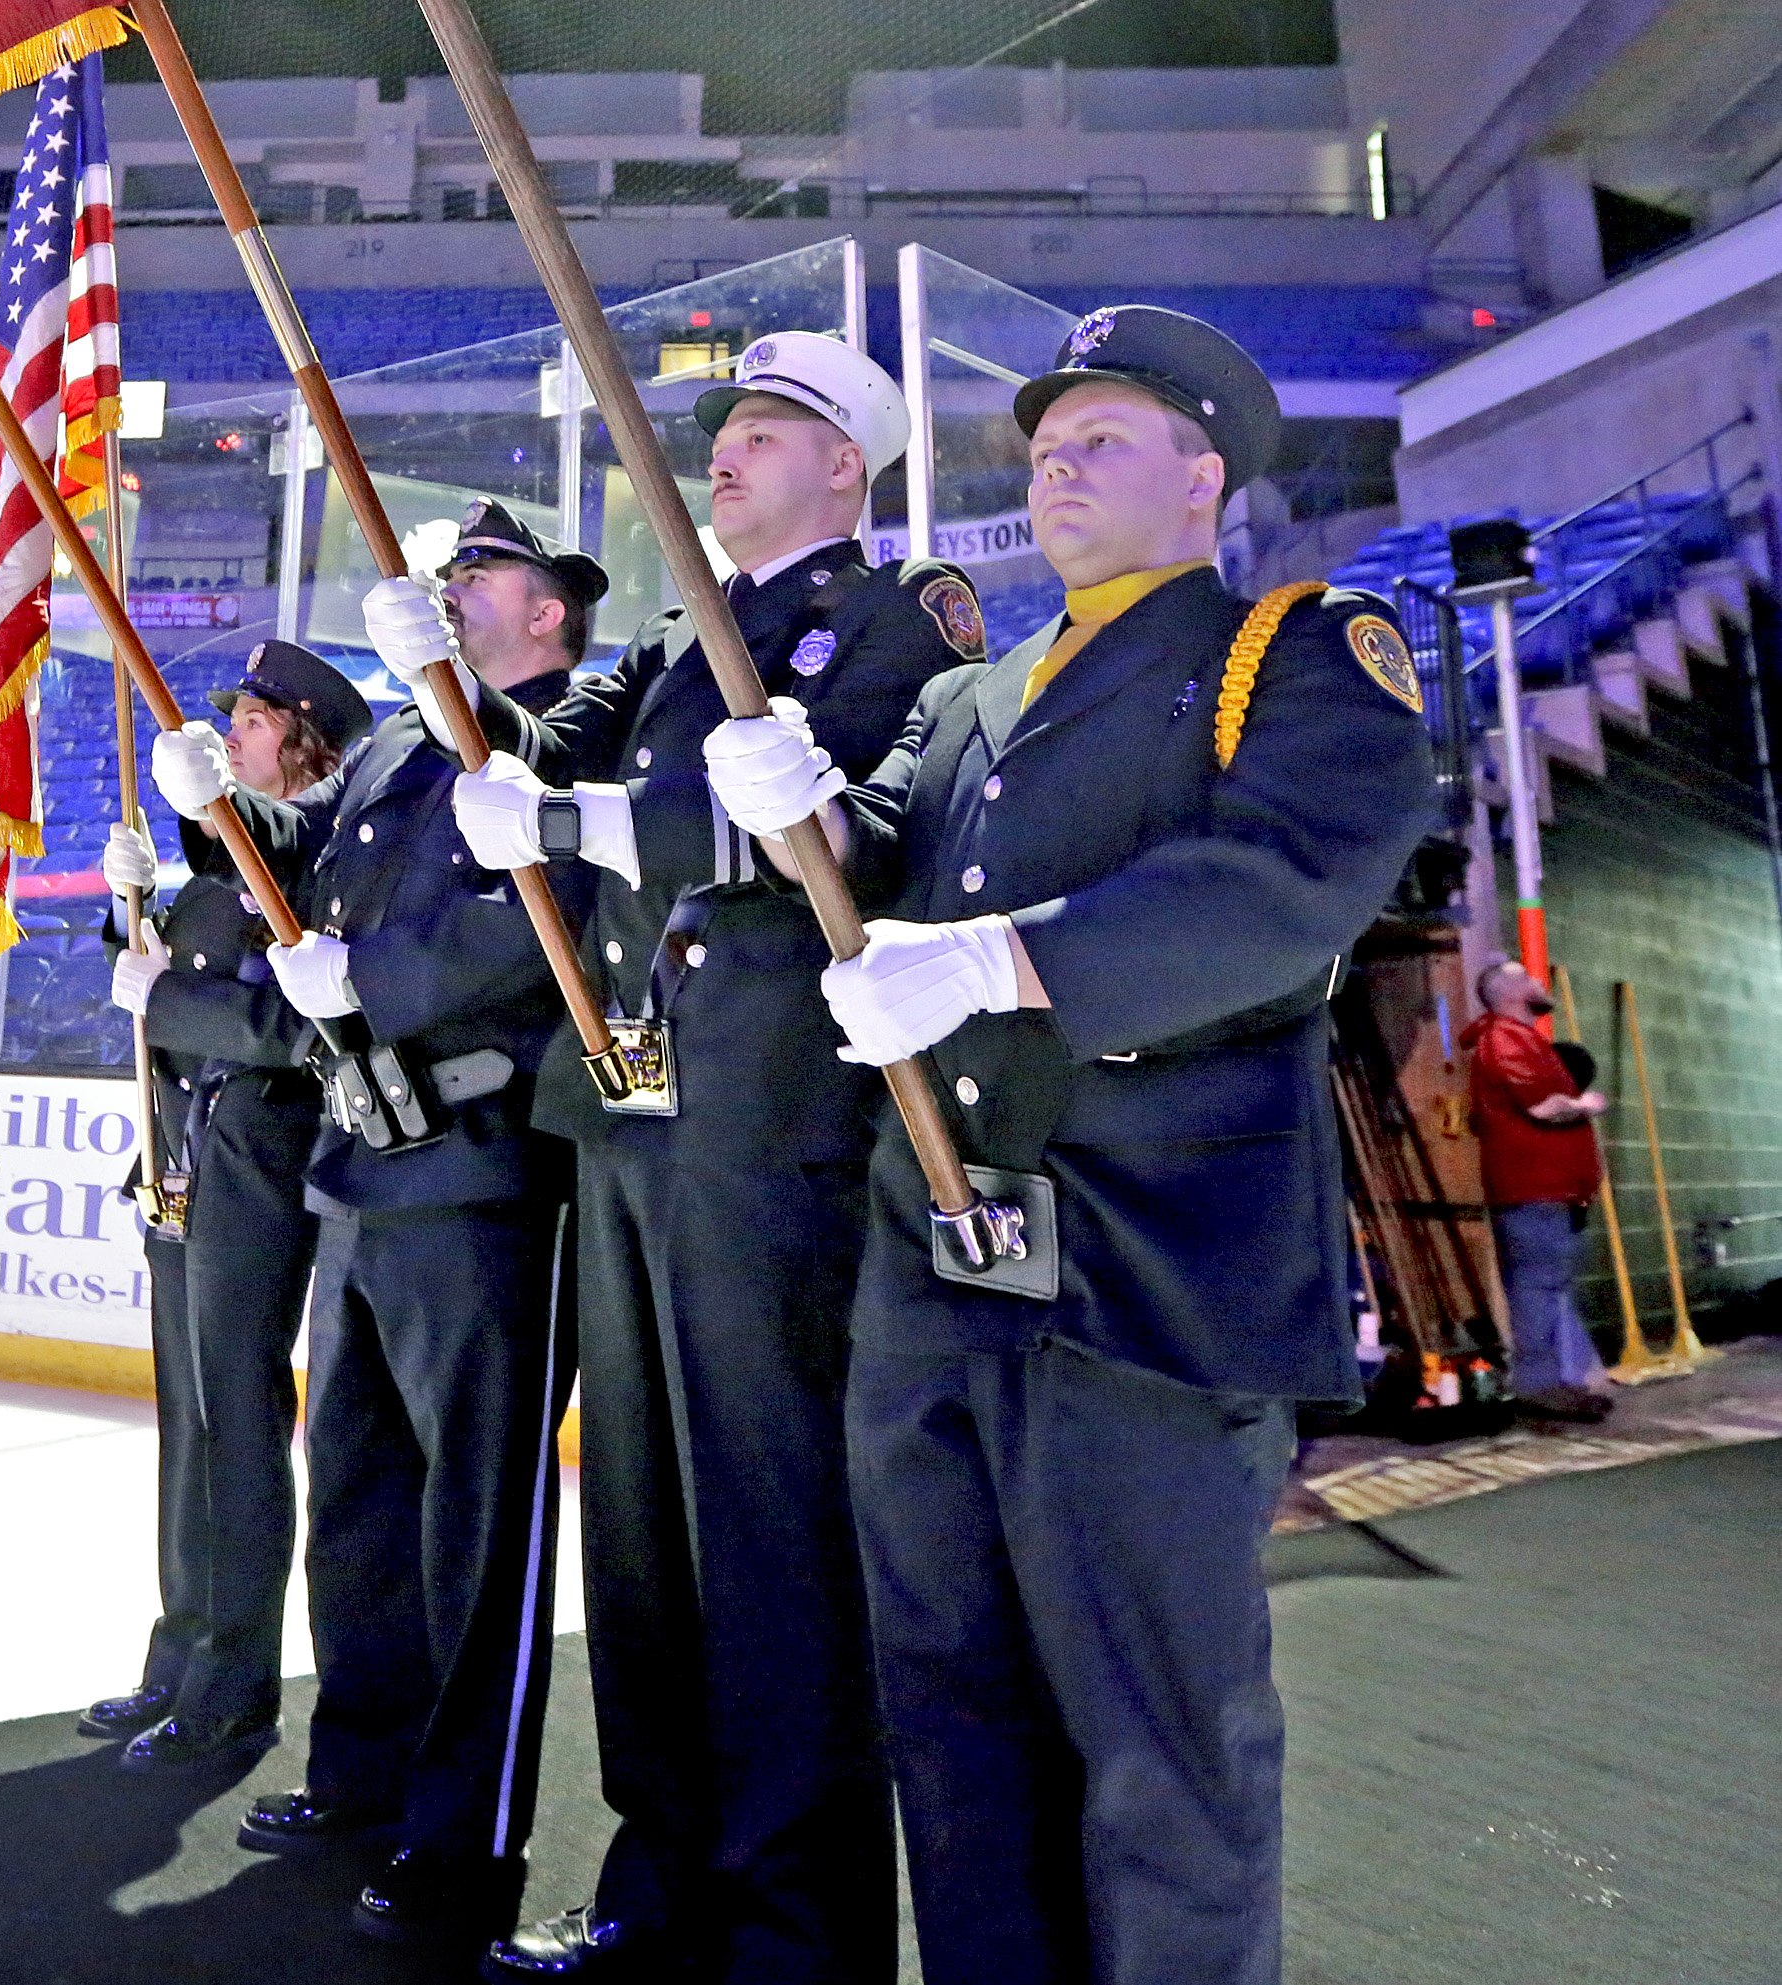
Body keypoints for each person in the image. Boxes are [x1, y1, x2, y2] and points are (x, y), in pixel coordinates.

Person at [705, 303, 1435, 1985]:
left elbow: (1280, 888)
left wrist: (1000, 960)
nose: (1059, 469)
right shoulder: (979, 695)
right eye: (1044, 449)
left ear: (1205, 476)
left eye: (1102, 440)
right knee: (958, 1733)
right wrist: (789, 805)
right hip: (941, 1269)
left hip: (1142, 1283)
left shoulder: (1296, 656)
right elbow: (877, 851)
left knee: (1161, 1753)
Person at [371, 337, 988, 1984]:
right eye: (720, 428)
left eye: (769, 427)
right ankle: (664, 1883)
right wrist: (448, 679)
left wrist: (566, 827)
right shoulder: (656, 643)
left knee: (773, 1534)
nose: (723, 450)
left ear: (850, 465)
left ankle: (796, 1930)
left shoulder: (891, 621)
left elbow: (815, 838)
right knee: (641, 1531)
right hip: (633, 1112)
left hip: (770, 1127)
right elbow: (538, 768)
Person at [149, 505, 600, 1951]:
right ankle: (364, 1768)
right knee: (357, 1505)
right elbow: (316, 852)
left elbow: (531, 915)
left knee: (480, 1532)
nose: (456, 593)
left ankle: (464, 1840)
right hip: (364, 1163)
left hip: (478, 1171)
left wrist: (371, 983)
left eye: (486, 579)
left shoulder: (557, 735)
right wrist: (214, 802)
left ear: (553, 614)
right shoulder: (412, 741)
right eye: (447, 576)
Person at [78, 641, 372, 1772]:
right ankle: (181, 1645)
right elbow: (159, 973)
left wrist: (172, 994)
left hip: (260, 1154)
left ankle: (232, 1681)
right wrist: (126, 911)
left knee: (238, 1422)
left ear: (307, 737)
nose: (230, 734)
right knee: (189, 1425)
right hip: (181, 1154)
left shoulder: (320, 859)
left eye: (253, 718)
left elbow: (296, 1031)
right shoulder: (220, 858)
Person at [1461, 957, 1615, 1423]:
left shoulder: (1519, 1040)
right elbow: (1544, 1107)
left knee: (1543, 1286)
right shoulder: (1507, 1040)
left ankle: (1548, 1383)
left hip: (1547, 1193)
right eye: (1529, 978)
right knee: (1537, 1286)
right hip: (1535, 1193)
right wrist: (1586, 1104)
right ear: (1511, 994)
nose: (1540, 983)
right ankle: (1539, 1385)